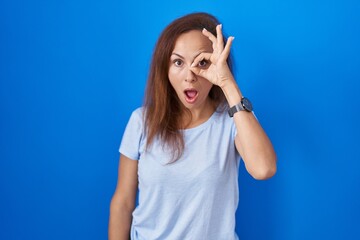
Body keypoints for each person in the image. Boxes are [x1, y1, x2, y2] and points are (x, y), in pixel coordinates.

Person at [108, 12, 277, 240]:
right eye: (178, 62)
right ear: (165, 70)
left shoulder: (234, 118)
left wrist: (228, 84)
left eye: (202, 62)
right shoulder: (141, 121)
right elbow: (123, 202)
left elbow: (264, 169)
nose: (190, 76)